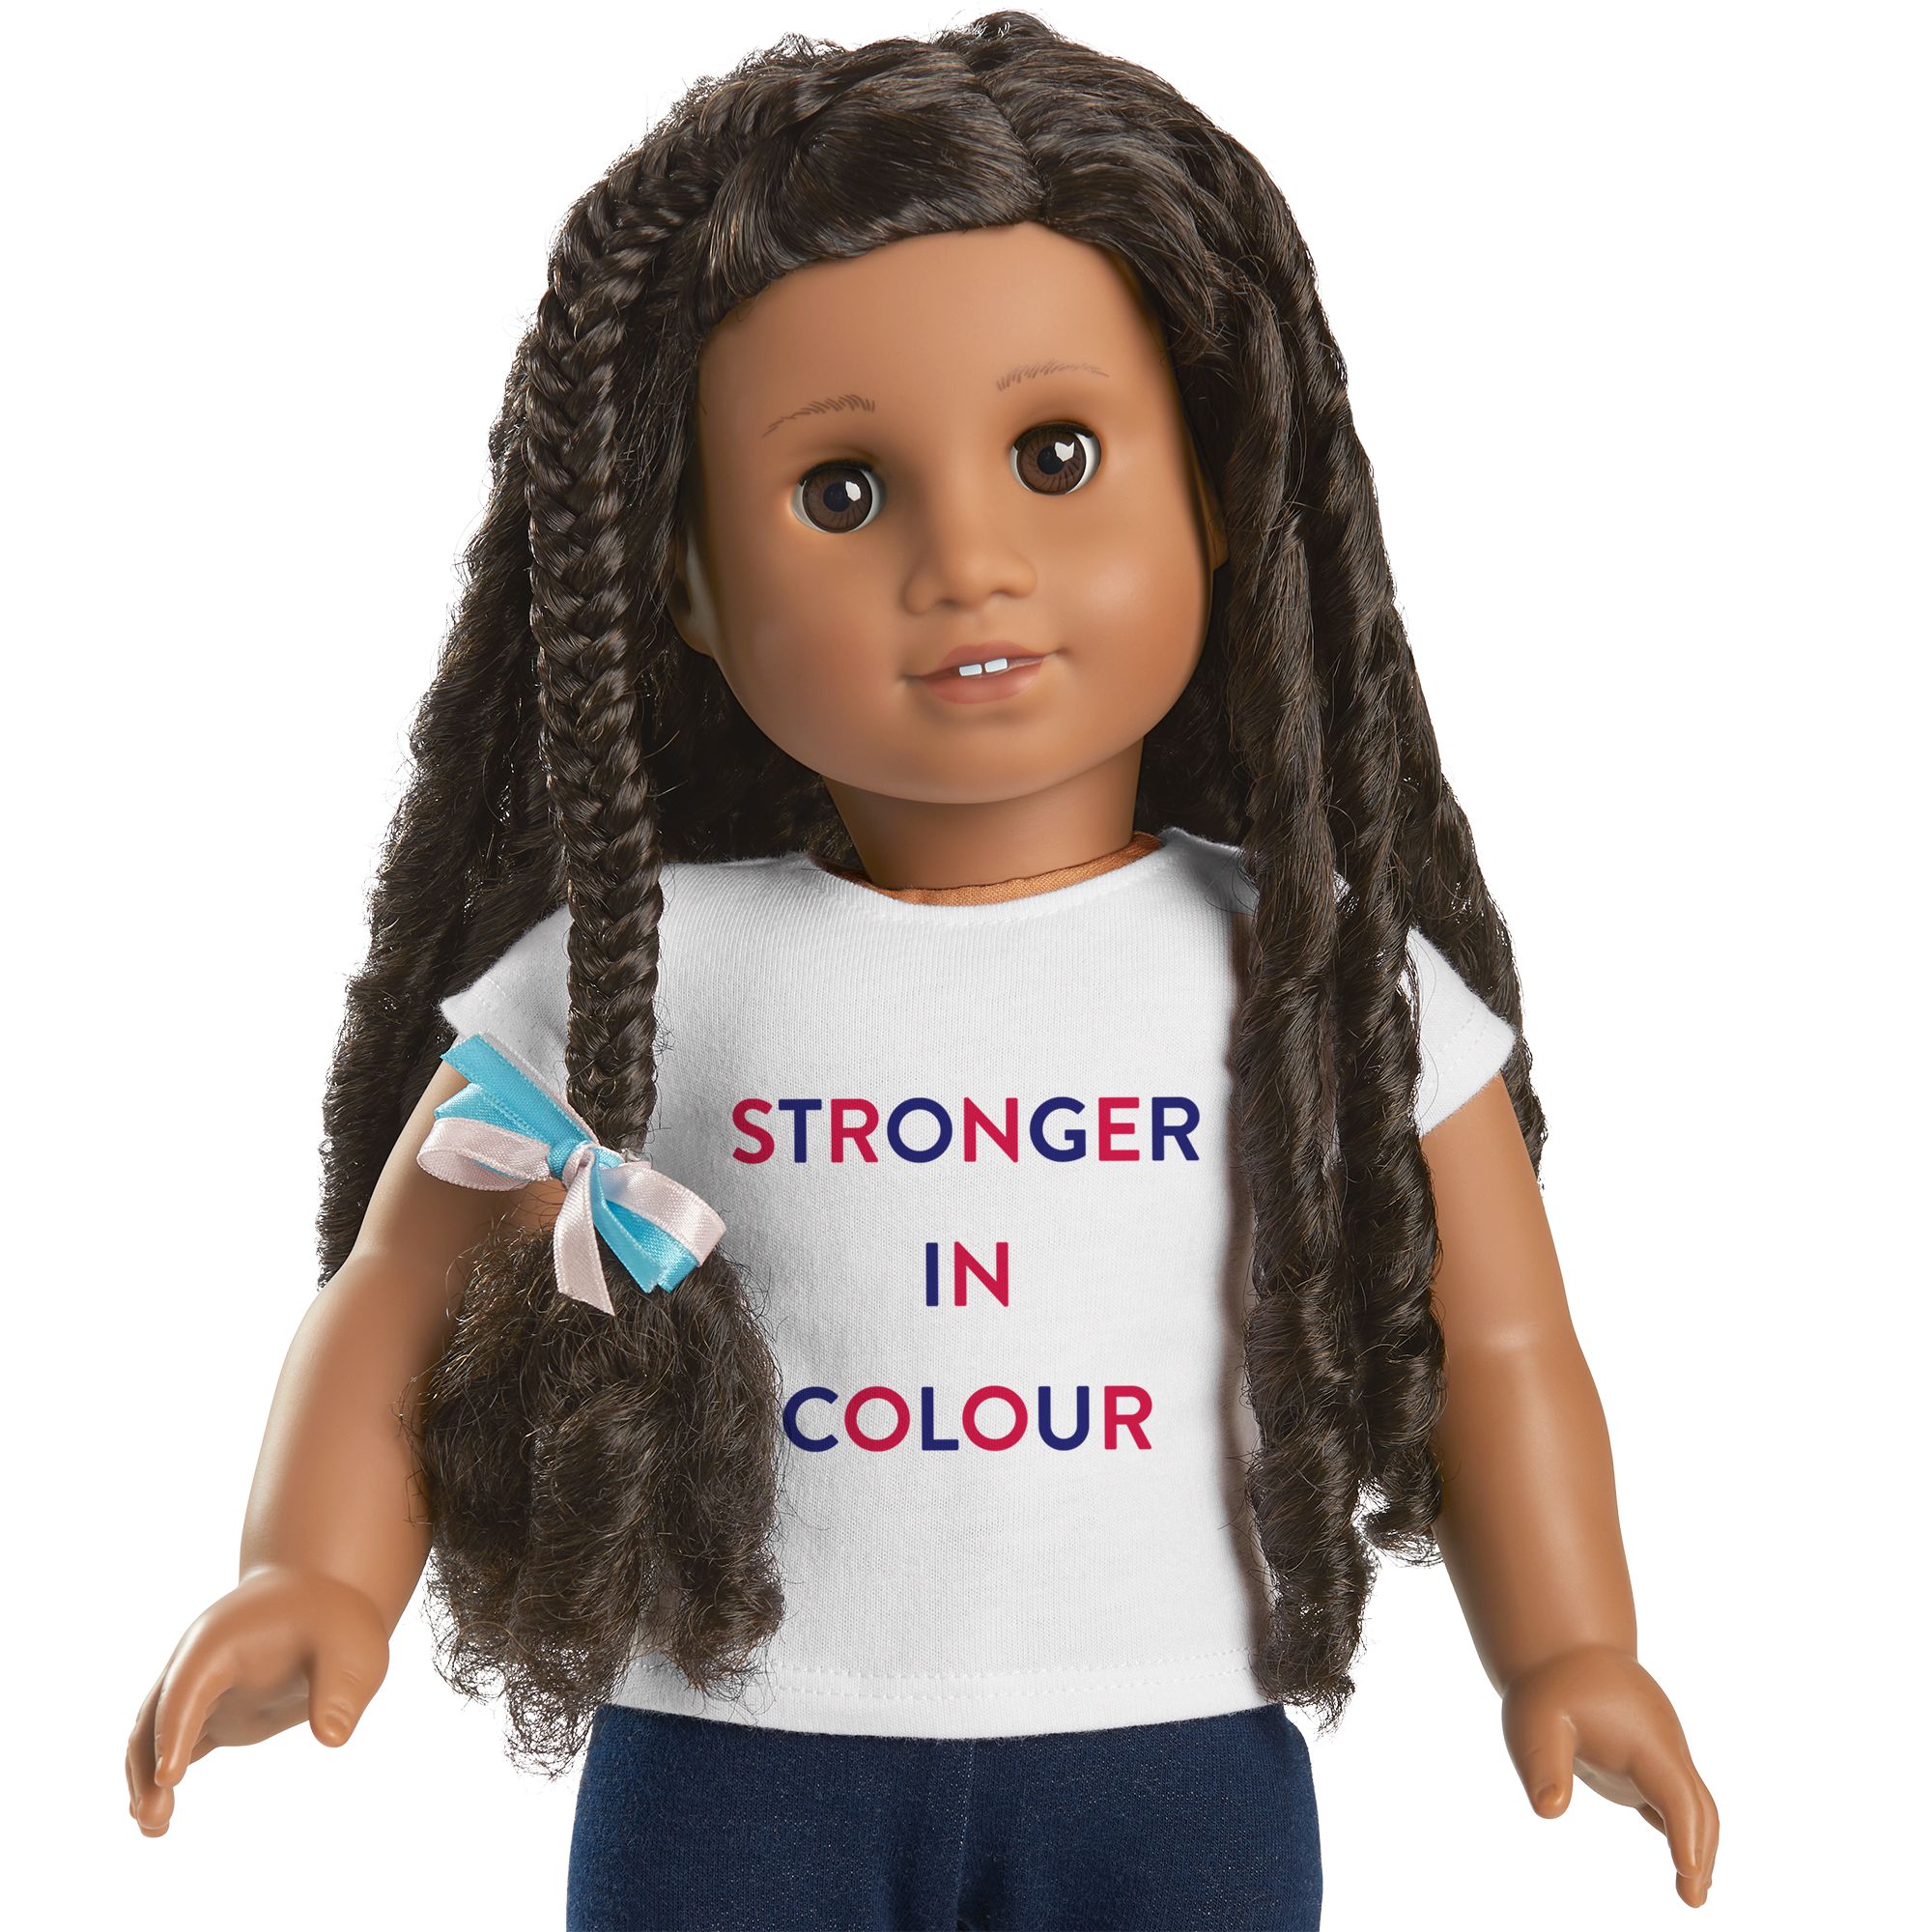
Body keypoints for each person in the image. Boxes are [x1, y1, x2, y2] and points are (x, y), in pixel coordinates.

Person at [124, 13, 1719, 1926]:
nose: (969, 560)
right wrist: (313, 1572)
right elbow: (403, 1289)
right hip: (734, 1754)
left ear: (1216, 494)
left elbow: (1505, 1342)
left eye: (1057, 455)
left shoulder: (1313, 975)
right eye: (843, 491)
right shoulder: (637, 972)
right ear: (682, 576)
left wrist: (1569, 1644)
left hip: (1166, 1747)